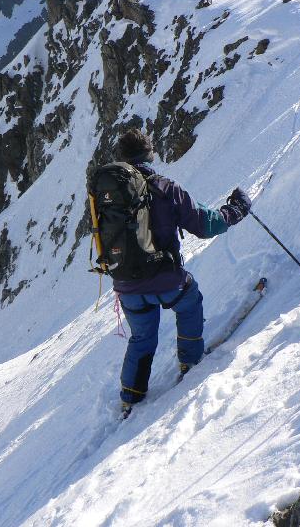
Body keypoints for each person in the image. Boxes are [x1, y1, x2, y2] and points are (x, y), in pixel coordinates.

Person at [110, 129, 251, 412]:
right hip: (166, 279)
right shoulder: (166, 189)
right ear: (150, 155)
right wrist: (236, 210)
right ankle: (190, 361)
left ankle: (130, 395)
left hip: (126, 285)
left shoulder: (108, 196)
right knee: (189, 302)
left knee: (142, 336)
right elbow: (205, 225)